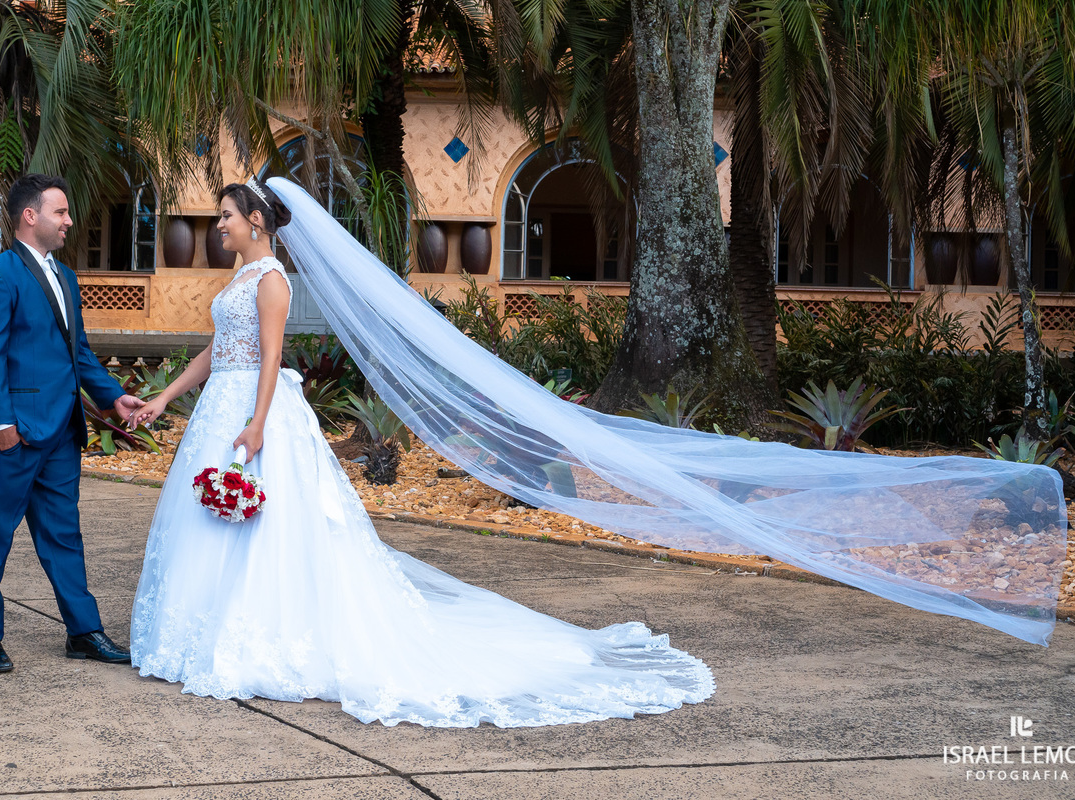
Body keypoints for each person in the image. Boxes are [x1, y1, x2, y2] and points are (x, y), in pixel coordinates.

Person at [127, 178, 715, 727]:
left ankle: (262, 634)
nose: (219, 225)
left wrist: (257, 424)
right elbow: (217, 350)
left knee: (271, 524)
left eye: (227, 216)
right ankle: (202, 631)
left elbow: (272, 358)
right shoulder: (235, 280)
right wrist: (162, 398)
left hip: (256, 413)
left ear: (256, 221)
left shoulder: (271, 282)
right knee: (209, 520)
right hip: (218, 410)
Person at [0, 173, 145, 673]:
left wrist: (113, 399)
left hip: (63, 432)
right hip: (16, 432)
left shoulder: (65, 277)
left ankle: (84, 632)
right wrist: (0, 421)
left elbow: (78, 354)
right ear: (31, 215)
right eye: (61, 212)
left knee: (65, 535)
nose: (69, 221)